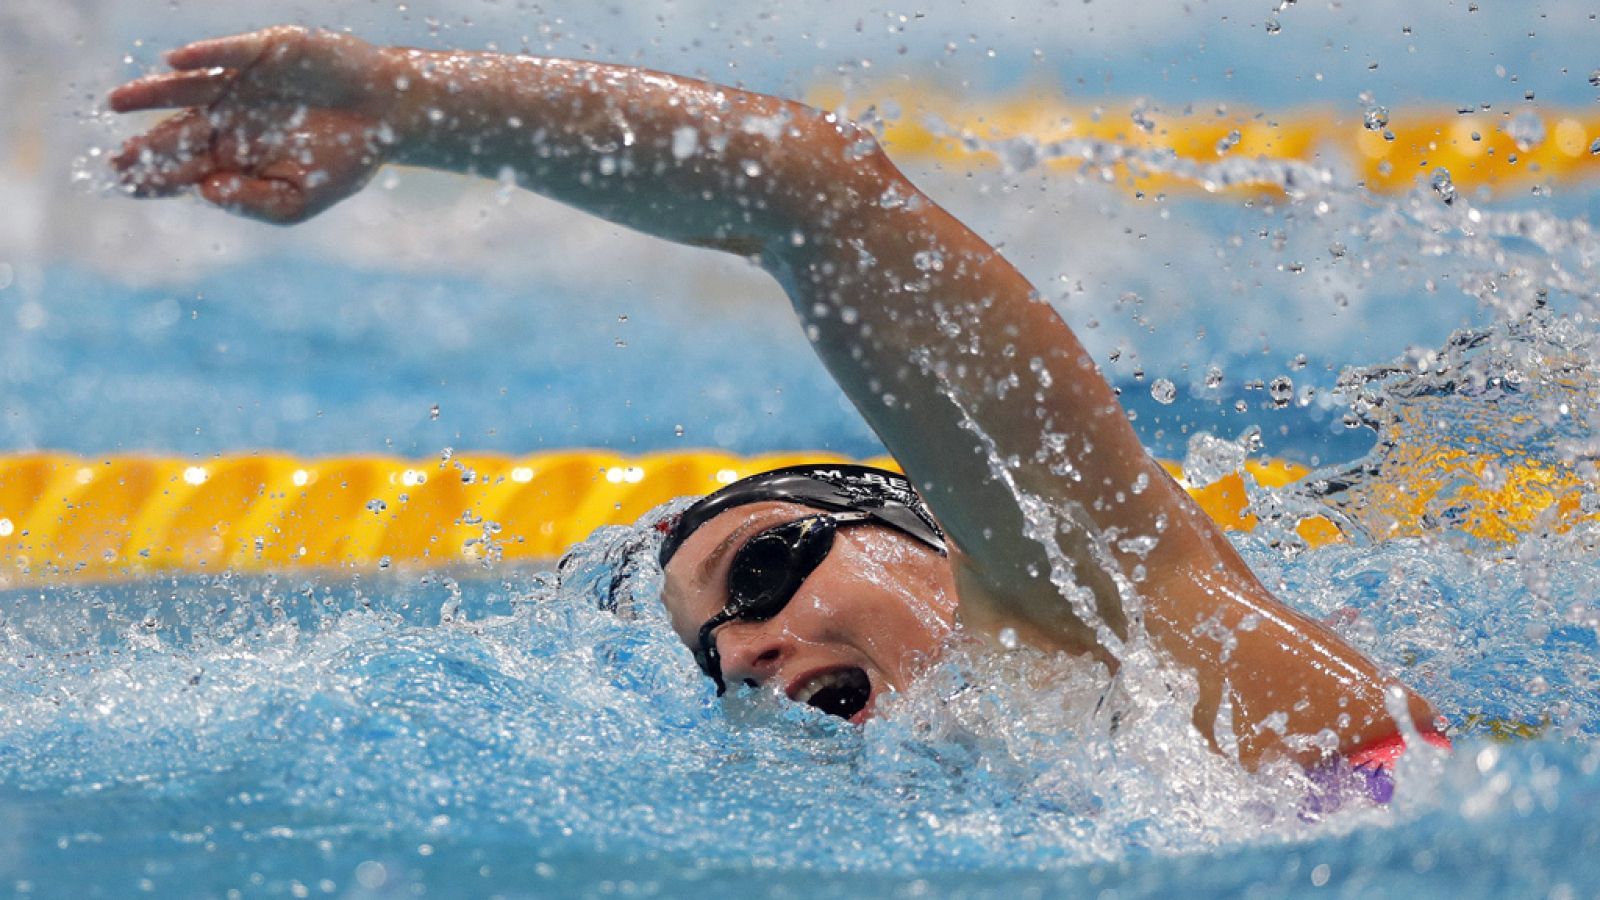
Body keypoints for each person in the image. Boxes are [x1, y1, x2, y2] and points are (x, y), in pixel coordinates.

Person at [108, 26, 1447, 774]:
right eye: (715, 657)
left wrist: (411, 108)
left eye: (766, 570)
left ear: (938, 528)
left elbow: (807, 189)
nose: (744, 651)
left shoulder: (1150, 625)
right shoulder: (1077, 787)